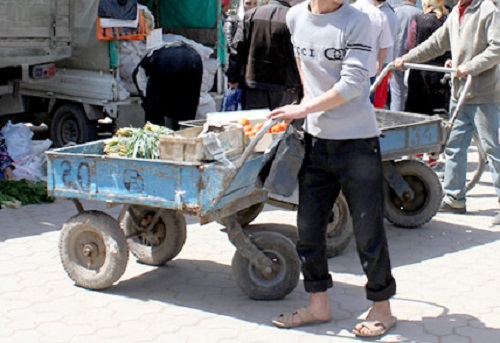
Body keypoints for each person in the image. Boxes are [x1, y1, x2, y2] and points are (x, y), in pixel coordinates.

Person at [269, 0, 397, 337]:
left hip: (357, 141)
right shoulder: (295, 17)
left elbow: (355, 83)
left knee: (368, 231)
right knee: (309, 229)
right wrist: (308, 108)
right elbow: (301, 60)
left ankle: (382, 308)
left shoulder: (358, 21)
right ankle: (318, 305)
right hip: (315, 141)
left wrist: (304, 107)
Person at [394, 0, 500, 225]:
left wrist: (470, 66)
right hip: (460, 92)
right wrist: (407, 59)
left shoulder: (487, 10)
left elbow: (497, 47)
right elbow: (436, 43)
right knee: (454, 146)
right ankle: (454, 198)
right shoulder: (456, 13)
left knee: (492, 149)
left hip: (484, 93)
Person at [226, 0, 302, 110]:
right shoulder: (295, 18)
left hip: (253, 84)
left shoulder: (251, 15)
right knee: (282, 125)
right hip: (285, 86)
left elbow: (237, 49)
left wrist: (233, 77)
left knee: (255, 124)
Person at [134, 41, 203, 131]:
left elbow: (139, 78)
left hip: (167, 62)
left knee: (154, 108)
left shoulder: (146, 63)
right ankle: (184, 134)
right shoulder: (156, 51)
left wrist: (147, 101)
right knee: (187, 103)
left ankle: (156, 134)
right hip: (193, 59)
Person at [405, 0, 450, 116]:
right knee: (439, 112)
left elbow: (410, 44)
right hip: (441, 71)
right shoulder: (447, 20)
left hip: (419, 71)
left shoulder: (418, 19)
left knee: (417, 112)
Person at [353, 0, 394, 104]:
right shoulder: (379, 15)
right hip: (369, 69)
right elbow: (384, 47)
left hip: (347, 67)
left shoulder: (348, 12)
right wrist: (379, 68)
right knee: (367, 106)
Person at [390, 0, 423, 111]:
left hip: (396, 53)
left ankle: (396, 113)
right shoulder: (420, 13)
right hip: (414, 55)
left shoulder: (395, 12)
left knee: (397, 88)